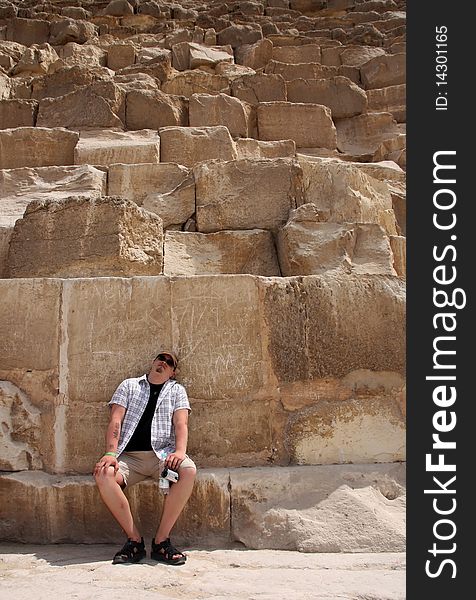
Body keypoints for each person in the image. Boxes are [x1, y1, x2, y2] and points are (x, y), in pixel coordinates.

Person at [93, 351, 196, 566]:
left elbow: (181, 424)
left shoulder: (177, 391)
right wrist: (111, 453)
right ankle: (134, 541)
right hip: (130, 458)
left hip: (162, 456)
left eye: (169, 363)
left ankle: (161, 542)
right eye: (161, 359)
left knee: (188, 469)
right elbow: (115, 420)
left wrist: (179, 451)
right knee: (104, 473)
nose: (163, 363)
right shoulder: (129, 385)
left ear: (173, 372)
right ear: (152, 362)